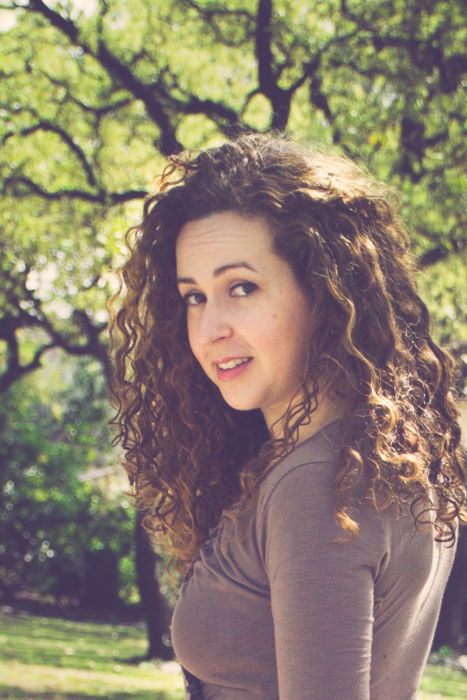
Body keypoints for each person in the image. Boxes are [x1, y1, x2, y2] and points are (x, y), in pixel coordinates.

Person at [111, 133, 466, 699]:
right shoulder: (374, 458)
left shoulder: (318, 486)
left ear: (325, 290)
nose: (209, 329)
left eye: (241, 287)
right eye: (194, 296)